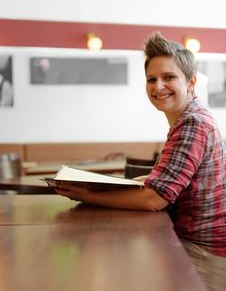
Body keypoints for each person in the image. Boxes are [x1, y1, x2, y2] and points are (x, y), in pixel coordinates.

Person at [55, 32, 226, 291]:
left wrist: (87, 194)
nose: (158, 86)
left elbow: (154, 199)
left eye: (169, 77)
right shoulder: (192, 117)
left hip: (203, 248)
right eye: (151, 79)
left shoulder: (192, 123)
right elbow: (168, 181)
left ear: (191, 81)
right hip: (200, 243)